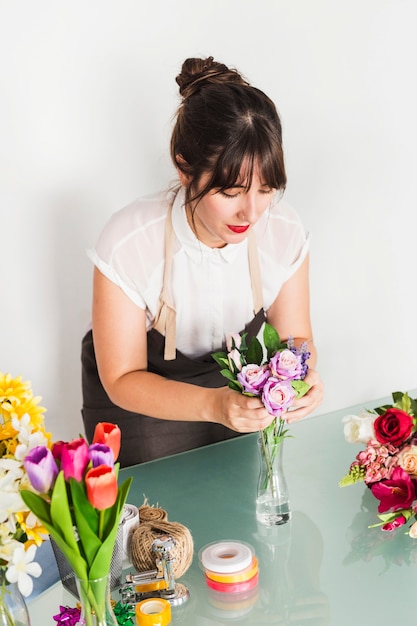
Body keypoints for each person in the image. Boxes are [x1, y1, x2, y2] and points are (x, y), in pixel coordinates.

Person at [81, 56, 324, 467]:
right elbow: (121, 377)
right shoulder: (129, 241)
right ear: (185, 169)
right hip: (142, 396)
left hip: (239, 390)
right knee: (153, 518)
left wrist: (303, 376)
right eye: (231, 192)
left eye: (266, 189)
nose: (252, 212)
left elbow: (296, 337)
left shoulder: (282, 229)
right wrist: (213, 405)